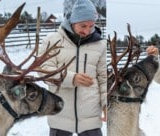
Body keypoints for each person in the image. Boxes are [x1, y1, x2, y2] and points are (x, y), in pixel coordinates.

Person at [38, 0, 107, 135]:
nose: (87, 31)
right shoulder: (52, 41)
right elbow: (43, 70)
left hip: (90, 116)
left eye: (91, 26)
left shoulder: (100, 45)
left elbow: (103, 78)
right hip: (60, 114)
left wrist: (106, 104)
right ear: (73, 21)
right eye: (83, 26)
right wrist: (71, 78)